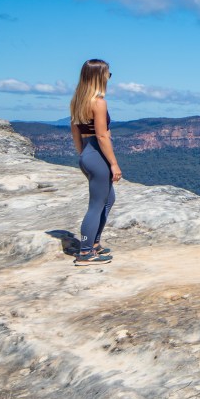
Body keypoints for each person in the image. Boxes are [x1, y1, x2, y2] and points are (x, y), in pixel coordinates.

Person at [69, 59, 121, 266]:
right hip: (97, 153)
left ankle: (94, 243)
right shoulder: (99, 102)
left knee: (108, 199)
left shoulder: (77, 100)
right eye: (108, 74)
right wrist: (114, 164)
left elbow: (75, 133)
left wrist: (84, 155)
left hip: (87, 153)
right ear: (99, 76)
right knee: (96, 205)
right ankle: (85, 252)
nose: (109, 77)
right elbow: (102, 136)